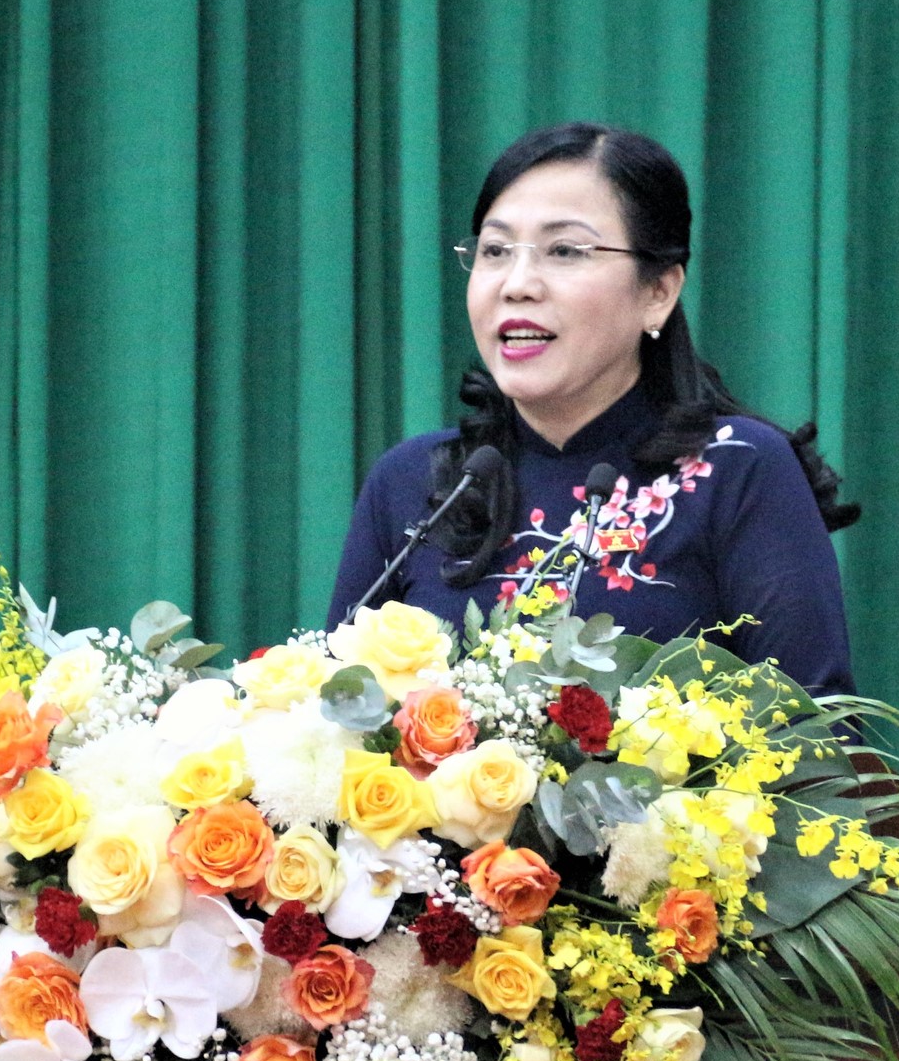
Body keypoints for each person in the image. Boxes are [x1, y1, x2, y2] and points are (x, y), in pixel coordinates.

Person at [325, 122, 859, 696]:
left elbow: (816, 741)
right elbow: (332, 725)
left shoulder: (738, 470)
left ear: (658, 290)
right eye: (495, 250)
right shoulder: (415, 482)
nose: (518, 284)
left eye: (565, 251)